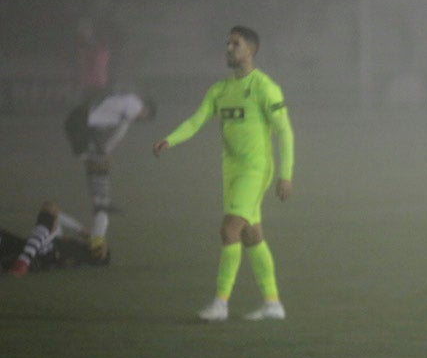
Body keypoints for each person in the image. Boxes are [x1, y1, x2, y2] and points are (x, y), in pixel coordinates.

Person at [152, 26, 294, 322]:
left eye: (236, 43)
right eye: (227, 43)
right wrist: (171, 139)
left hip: (255, 171)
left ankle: (220, 304)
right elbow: (196, 121)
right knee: (252, 235)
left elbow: (285, 132)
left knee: (229, 230)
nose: (228, 48)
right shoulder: (220, 90)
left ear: (251, 50)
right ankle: (273, 304)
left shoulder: (265, 87)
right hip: (231, 172)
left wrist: (286, 174)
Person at [64, 91, 157, 260]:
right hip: (79, 122)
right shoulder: (134, 104)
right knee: (96, 161)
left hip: (82, 124)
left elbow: (114, 133)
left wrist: (106, 152)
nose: (141, 118)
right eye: (144, 116)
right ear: (145, 109)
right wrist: (105, 152)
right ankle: (101, 202)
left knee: (95, 161)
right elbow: (120, 123)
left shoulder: (127, 115)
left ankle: (100, 202)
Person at [3, 201, 108, 276]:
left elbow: (102, 219)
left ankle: (23, 263)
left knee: (49, 209)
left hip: (43, 254)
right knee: (50, 210)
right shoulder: (81, 249)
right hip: (37, 248)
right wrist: (80, 229)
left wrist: (81, 230)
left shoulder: (84, 255)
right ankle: (22, 262)